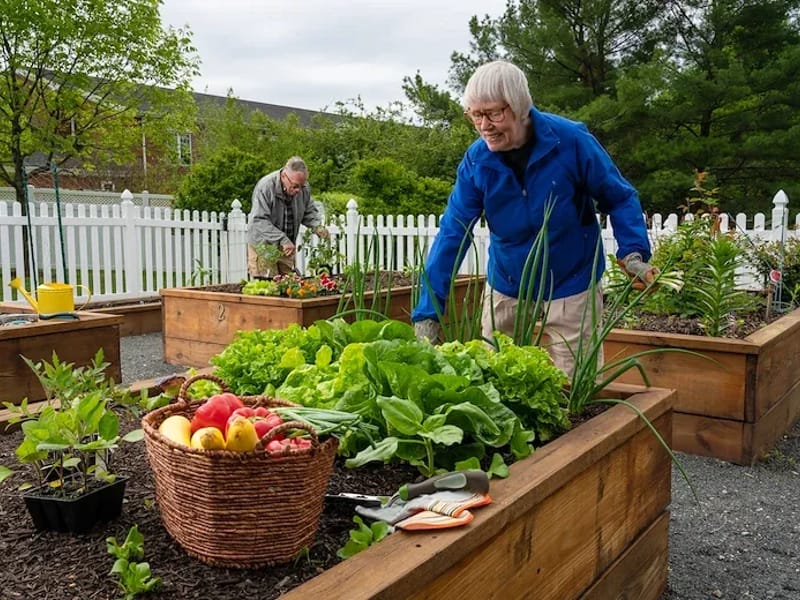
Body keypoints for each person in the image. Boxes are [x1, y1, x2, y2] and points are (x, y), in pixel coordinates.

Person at [411, 60, 657, 376]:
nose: (484, 125)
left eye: (494, 113)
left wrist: (633, 253)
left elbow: (619, 197)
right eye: (475, 115)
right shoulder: (478, 161)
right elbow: (453, 232)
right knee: (496, 377)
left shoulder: (570, 142)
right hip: (508, 280)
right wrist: (427, 313)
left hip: (572, 278)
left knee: (572, 382)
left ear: (520, 107)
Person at [247, 156, 329, 277]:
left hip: (286, 247)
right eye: (295, 186)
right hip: (264, 246)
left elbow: (308, 211)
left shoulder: (303, 188)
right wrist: (282, 238)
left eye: (301, 186)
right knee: (268, 285)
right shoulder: (266, 187)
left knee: (288, 283)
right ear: (284, 176)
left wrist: (317, 226)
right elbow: (259, 220)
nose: (298, 190)